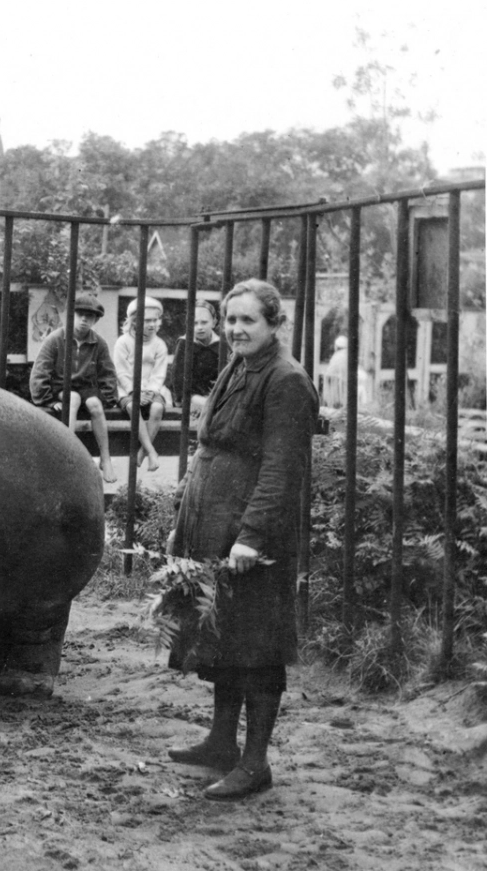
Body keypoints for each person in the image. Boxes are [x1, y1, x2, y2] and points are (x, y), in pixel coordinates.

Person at [164, 278, 318, 801]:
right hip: (212, 523)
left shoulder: (286, 380)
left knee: (256, 643)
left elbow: (280, 470)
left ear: (275, 324)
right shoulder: (238, 366)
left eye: (248, 320)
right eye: (231, 320)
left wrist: (250, 537)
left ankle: (255, 763)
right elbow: (208, 445)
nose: (235, 329)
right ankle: (221, 743)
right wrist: (185, 516)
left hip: (253, 536)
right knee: (223, 634)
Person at [29, 291, 119, 483]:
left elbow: (108, 372)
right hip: (62, 387)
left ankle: (105, 458)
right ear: (72, 316)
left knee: (95, 403)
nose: (84, 320)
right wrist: (47, 399)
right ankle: (68, 454)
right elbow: (40, 369)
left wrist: (108, 397)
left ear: (95, 320)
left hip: (87, 387)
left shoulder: (98, 343)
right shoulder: (56, 338)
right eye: (80, 315)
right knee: (74, 399)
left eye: (90, 317)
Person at [114, 296, 169, 471]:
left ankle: (141, 453)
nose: (152, 324)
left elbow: (159, 374)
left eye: (155, 320)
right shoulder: (123, 342)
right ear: (135, 321)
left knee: (157, 408)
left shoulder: (159, 344)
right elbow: (121, 372)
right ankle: (151, 451)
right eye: (147, 320)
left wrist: (152, 392)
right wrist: (134, 391)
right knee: (133, 407)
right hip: (127, 390)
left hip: (152, 391)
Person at [169, 300, 222, 419]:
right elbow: (177, 376)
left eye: (204, 322)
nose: (199, 327)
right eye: (195, 323)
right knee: (211, 408)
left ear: (214, 322)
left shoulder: (220, 345)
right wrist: (181, 399)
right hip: (191, 395)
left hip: (214, 394)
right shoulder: (184, 344)